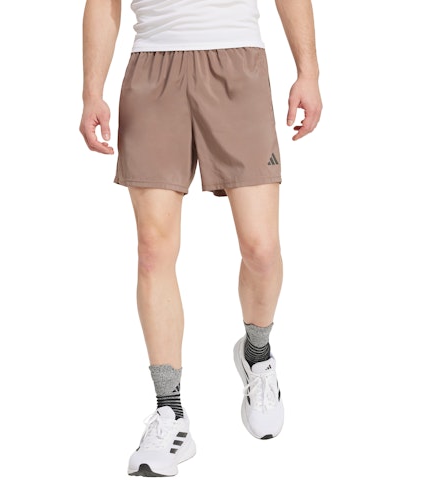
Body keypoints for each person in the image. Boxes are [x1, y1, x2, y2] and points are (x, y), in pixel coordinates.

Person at [79, 0, 322, 477]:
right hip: (153, 68)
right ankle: (169, 411)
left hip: (237, 62)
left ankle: (257, 353)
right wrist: (92, 92)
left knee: (261, 248)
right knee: (153, 252)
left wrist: (308, 72)